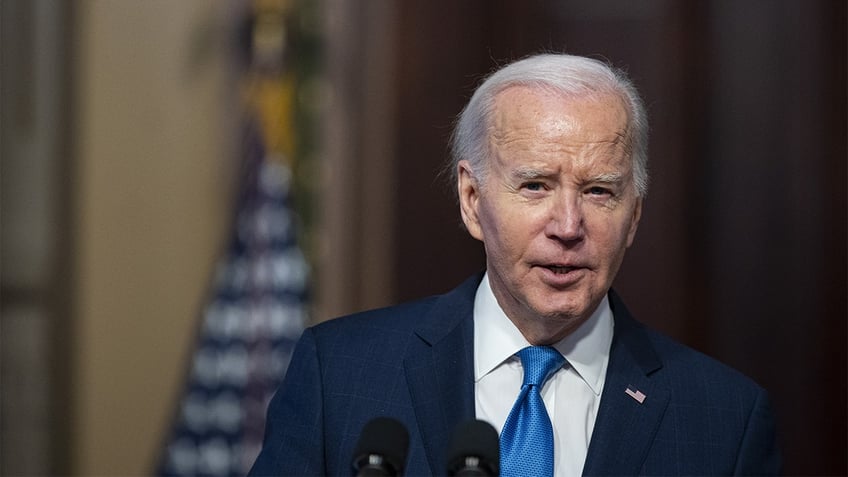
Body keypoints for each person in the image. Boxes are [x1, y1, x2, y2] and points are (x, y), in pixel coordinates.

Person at [249, 53, 781, 476]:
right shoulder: (339, 375)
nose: (568, 226)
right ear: (472, 199)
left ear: (634, 216)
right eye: (535, 186)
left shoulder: (724, 419)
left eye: (599, 192)